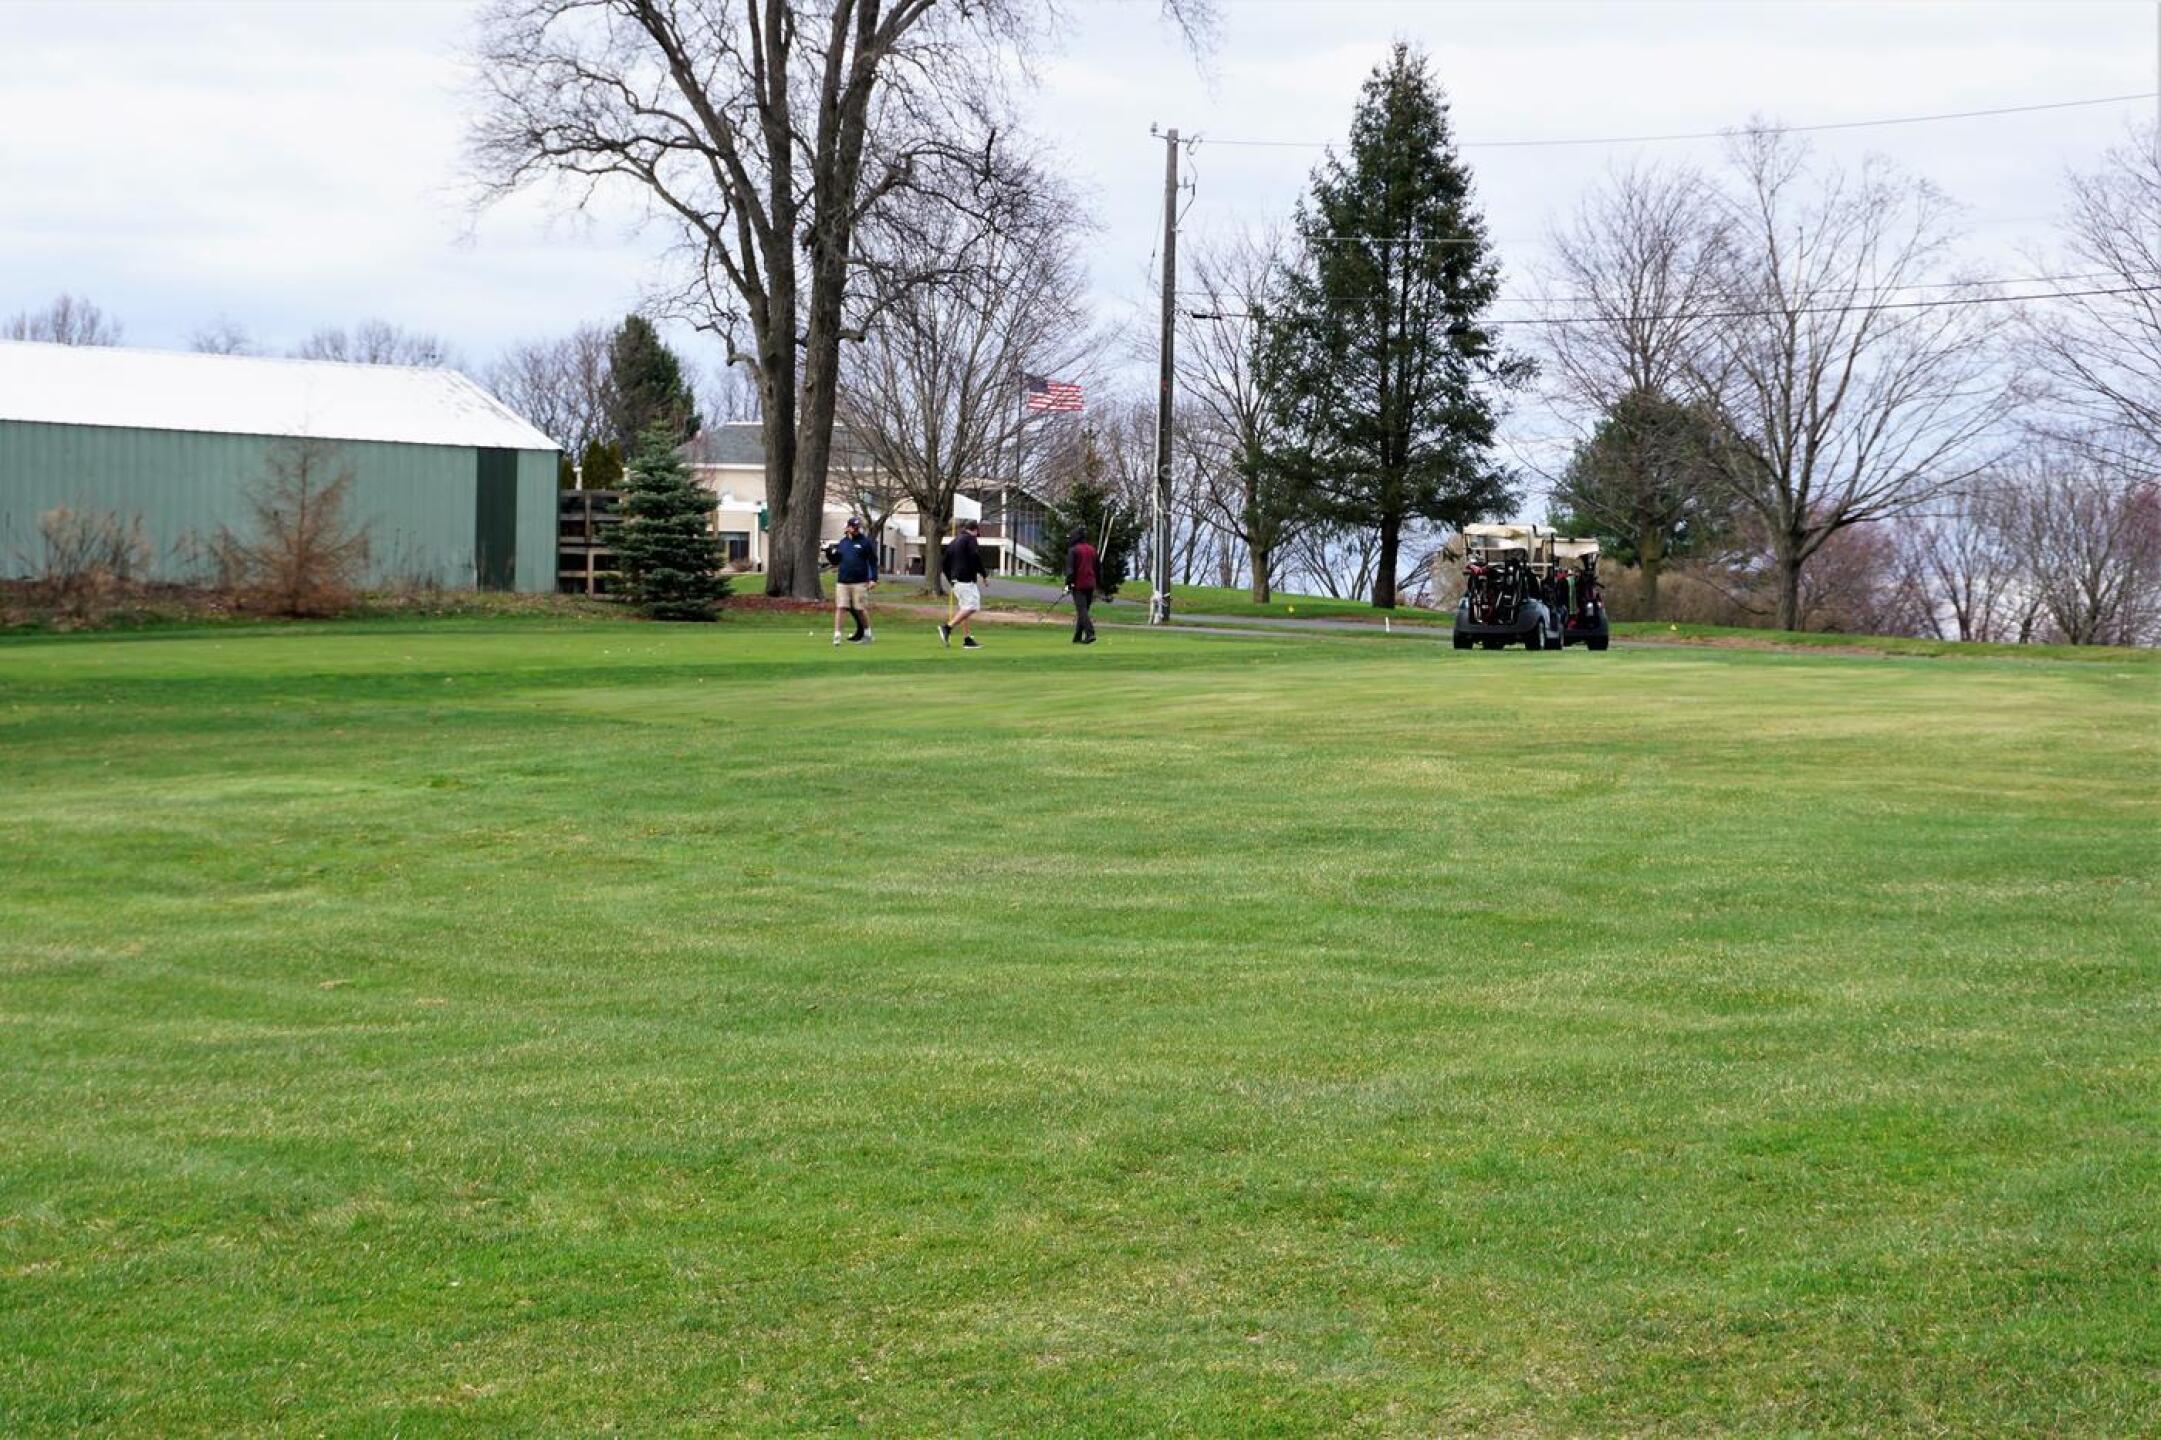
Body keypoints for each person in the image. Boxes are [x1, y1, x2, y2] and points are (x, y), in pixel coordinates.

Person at [938, 517, 989, 650]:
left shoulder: (953, 541)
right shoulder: (970, 539)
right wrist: (983, 574)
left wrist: (951, 580)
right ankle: (947, 627)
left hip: (956, 580)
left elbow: (944, 564)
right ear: (975, 530)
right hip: (965, 579)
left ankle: (967, 639)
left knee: (965, 608)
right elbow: (975, 556)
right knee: (972, 606)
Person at [828, 516, 878, 645]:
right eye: (854, 527)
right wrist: (830, 554)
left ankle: (867, 634)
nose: (856, 529)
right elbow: (836, 561)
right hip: (843, 581)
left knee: (860, 609)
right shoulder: (843, 543)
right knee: (841, 607)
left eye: (857, 527)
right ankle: (837, 635)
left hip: (859, 582)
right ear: (848, 527)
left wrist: (873, 578)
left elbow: (872, 562)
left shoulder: (865, 542)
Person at [1064, 526, 1099, 645]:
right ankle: (1078, 636)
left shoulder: (1073, 550)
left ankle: (1090, 633)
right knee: (1083, 610)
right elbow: (1098, 569)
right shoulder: (1092, 550)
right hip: (1091, 584)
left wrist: (1068, 584)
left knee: (1082, 610)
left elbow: (1070, 571)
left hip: (1079, 584)